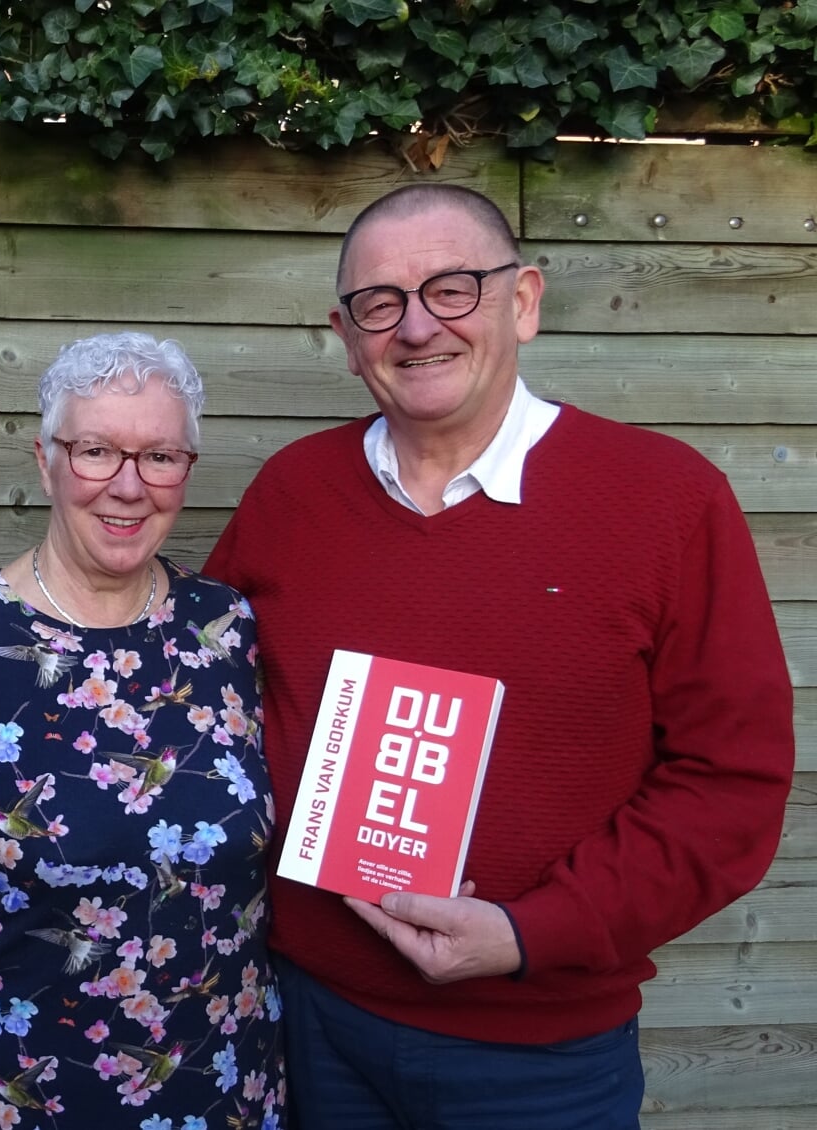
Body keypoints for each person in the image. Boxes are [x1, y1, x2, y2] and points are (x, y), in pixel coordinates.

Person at [204, 183, 795, 1128]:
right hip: (308, 1020)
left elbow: (731, 783)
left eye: (452, 288)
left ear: (522, 301)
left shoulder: (666, 501)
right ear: (348, 335)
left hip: (542, 1057)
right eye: (380, 304)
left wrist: (531, 933)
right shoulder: (293, 495)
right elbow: (206, 713)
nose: (414, 327)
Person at [0, 332, 285, 1130]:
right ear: (45, 461)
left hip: (226, 1094)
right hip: (20, 1102)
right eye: (95, 452)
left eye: (160, 457)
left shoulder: (226, 632)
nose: (127, 485)